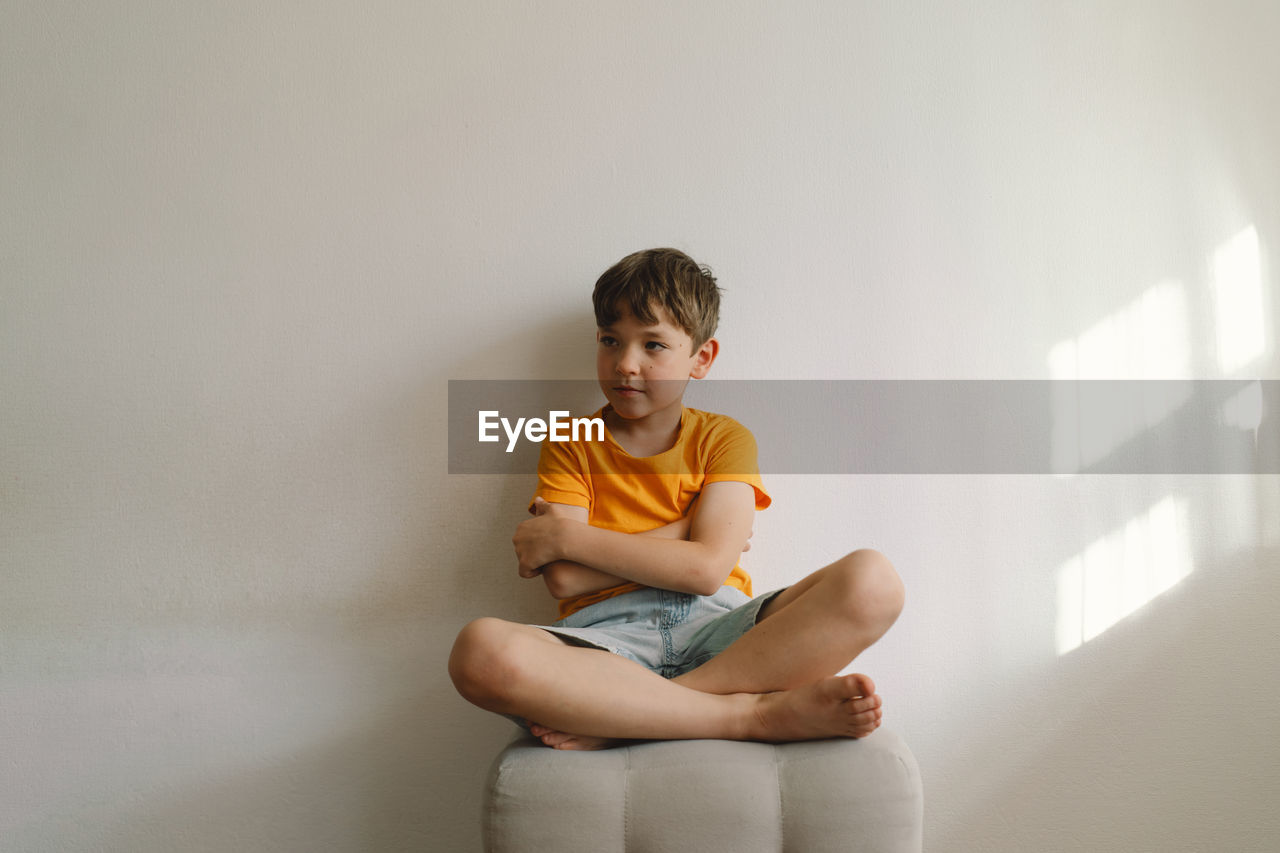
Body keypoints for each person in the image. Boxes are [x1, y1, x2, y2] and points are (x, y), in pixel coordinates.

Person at [449, 248, 904, 750]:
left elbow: (707, 572)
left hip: (724, 634)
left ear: (701, 358)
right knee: (478, 650)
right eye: (610, 341)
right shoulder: (570, 442)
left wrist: (570, 536)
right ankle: (746, 716)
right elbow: (566, 577)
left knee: (874, 580)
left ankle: (636, 715)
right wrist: (688, 533)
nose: (626, 364)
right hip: (606, 642)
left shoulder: (725, 439)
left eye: (654, 345)